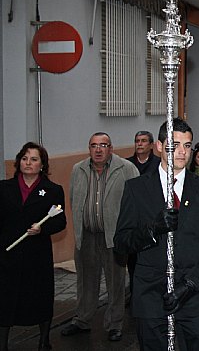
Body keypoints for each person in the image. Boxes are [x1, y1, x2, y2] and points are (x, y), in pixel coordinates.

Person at [113, 118, 199, 350]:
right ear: (159, 146)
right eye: (174, 145)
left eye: (187, 145)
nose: (182, 152)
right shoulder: (136, 189)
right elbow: (121, 244)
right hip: (151, 297)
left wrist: (191, 284)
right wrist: (152, 229)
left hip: (194, 297)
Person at [61, 133, 139, 342]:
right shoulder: (78, 169)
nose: (98, 150)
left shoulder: (126, 169)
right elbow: (73, 198)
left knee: (116, 282)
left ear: (111, 148)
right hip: (86, 235)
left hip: (114, 237)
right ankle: (82, 319)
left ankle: (115, 324)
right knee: (86, 281)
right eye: (94, 146)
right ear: (89, 148)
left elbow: (136, 201)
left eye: (103, 145)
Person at [0, 142, 67, 351]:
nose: (28, 163)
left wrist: (42, 230)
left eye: (34, 159)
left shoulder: (52, 190)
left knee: (40, 297)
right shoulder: (4, 188)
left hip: (36, 255)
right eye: (25, 158)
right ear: (19, 162)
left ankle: (43, 340)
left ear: (42, 165)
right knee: (6, 298)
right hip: (8, 253)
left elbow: (60, 221)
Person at [125, 131, 161, 307]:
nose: (140, 144)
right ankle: (134, 294)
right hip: (133, 217)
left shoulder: (158, 164)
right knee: (132, 261)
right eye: (137, 141)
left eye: (144, 141)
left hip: (152, 216)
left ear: (152, 145)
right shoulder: (127, 165)